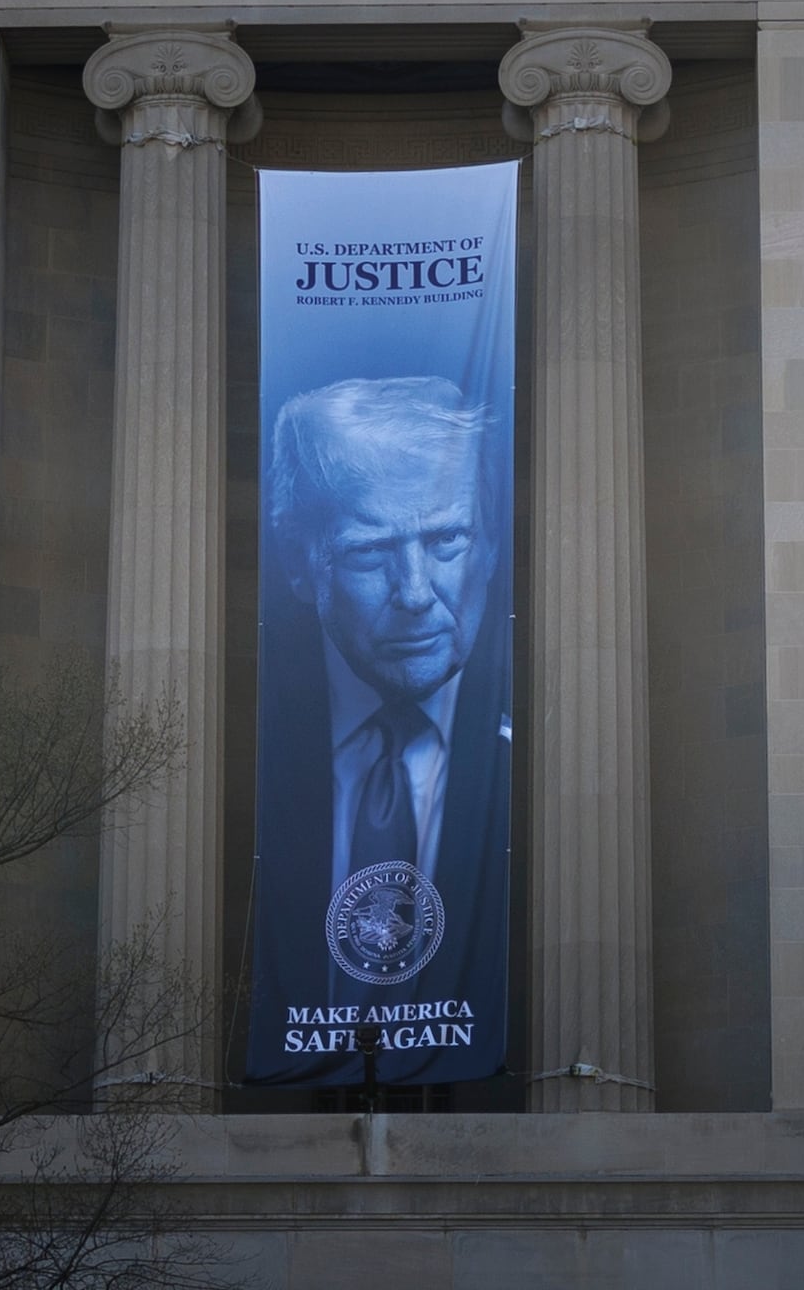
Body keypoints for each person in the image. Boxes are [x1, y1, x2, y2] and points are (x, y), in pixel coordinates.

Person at [243, 376, 511, 1088]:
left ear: (488, 544)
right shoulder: (248, 744)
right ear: (302, 564)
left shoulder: (544, 746)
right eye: (368, 554)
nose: (417, 593)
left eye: (448, 539)